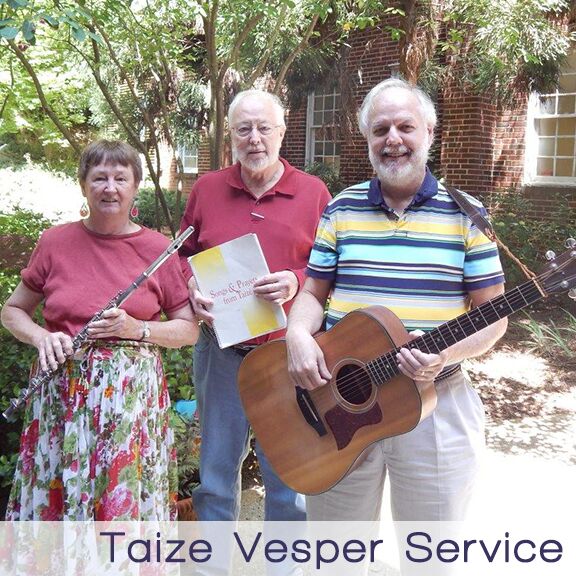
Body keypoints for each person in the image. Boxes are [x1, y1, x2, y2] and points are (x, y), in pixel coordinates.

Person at [285, 78, 508, 526]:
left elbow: (494, 317)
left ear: (429, 132)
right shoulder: (341, 209)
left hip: (434, 402)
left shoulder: (467, 215)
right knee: (335, 550)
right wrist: (296, 334)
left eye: (405, 127)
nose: (393, 139)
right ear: (367, 139)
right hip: (338, 400)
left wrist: (444, 353)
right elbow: (312, 292)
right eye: (380, 129)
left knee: (433, 551)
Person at [1, 139, 199, 521]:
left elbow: (188, 330)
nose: (110, 188)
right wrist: (43, 337)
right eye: (99, 178)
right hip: (61, 395)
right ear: (83, 185)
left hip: (130, 403)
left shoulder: (157, 248)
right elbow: (12, 311)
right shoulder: (54, 242)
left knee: (118, 499)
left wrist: (137, 328)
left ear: (135, 186)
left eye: (120, 178)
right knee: (60, 490)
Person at [178, 89, 331, 523]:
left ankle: (284, 561)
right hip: (221, 351)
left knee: (288, 477)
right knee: (215, 474)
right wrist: (191, 283)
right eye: (243, 129)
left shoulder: (314, 193)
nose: (254, 139)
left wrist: (295, 279)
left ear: (282, 132)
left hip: (287, 354)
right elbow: (181, 253)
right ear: (230, 135)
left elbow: (333, 266)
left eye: (264, 128)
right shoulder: (207, 189)